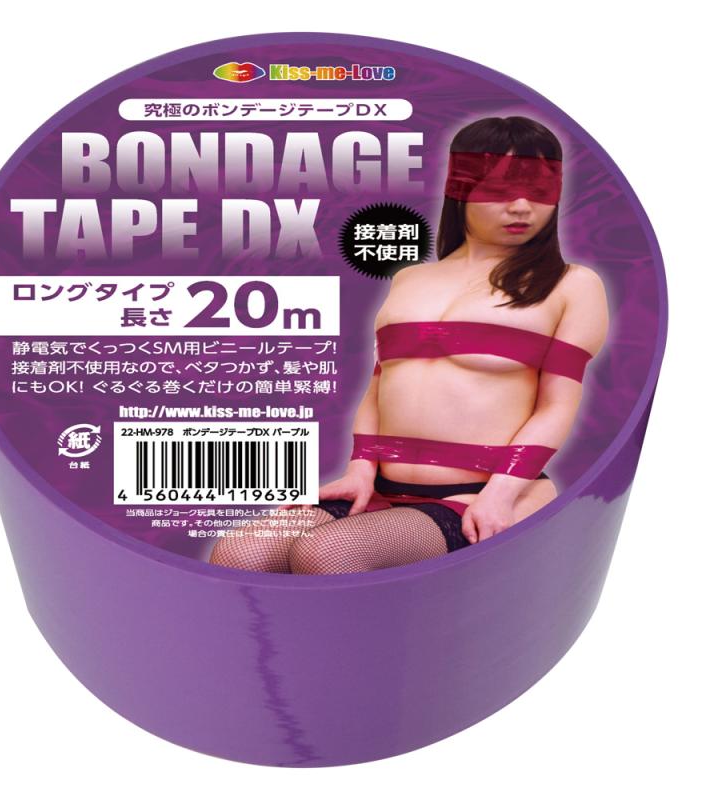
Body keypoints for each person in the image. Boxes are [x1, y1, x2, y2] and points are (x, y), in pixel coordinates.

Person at [209, 116, 609, 574]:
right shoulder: (410, 279)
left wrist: (500, 494)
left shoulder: (572, 284)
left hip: (481, 492)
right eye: (501, 189)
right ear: (461, 187)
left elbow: (556, 406)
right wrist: (360, 469)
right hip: (383, 487)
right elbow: (380, 387)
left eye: (539, 190)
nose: (522, 206)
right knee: (241, 552)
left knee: (329, 552)